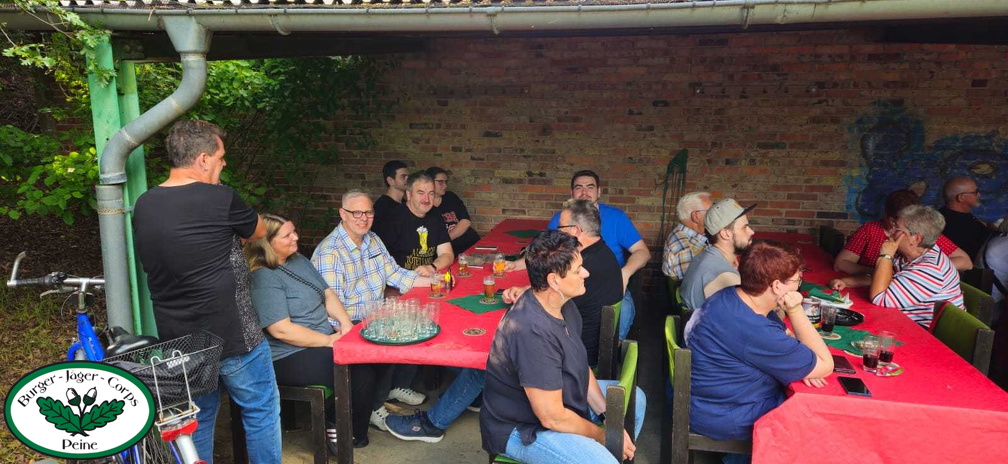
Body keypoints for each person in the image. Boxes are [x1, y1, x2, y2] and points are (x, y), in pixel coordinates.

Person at [132, 119, 279, 463]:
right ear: (202, 159)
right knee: (260, 408)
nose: (223, 164)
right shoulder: (220, 197)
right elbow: (258, 230)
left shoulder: (145, 203)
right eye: (220, 157)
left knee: (197, 418)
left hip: (180, 341)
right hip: (233, 334)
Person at [481, 230, 646, 464]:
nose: (586, 273)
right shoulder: (531, 332)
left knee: (635, 400)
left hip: (563, 399)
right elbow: (552, 418)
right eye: (578, 270)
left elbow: (580, 367)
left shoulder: (563, 304)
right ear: (554, 281)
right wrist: (603, 436)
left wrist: (607, 416)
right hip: (522, 428)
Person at [246, 214, 377, 450]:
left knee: (374, 342)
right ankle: (339, 425)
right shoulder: (263, 277)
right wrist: (329, 340)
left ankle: (355, 418)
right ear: (267, 243)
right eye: (287, 235)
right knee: (359, 369)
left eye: (294, 231)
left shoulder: (298, 260)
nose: (296, 237)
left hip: (322, 338)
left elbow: (327, 293)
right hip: (288, 354)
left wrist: (346, 323)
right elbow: (281, 330)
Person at [689, 241, 833, 451]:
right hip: (728, 413)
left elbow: (785, 335)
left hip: (710, 400)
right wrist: (795, 310)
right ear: (777, 286)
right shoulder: (753, 329)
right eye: (797, 281)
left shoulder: (734, 296)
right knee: (817, 420)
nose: (798, 287)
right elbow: (826, 365)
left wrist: (799, 359)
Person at [311, 190, 431, 431]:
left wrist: (434, 281)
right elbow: (333, 309)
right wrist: (357, 334)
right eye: (356, 213)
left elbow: (395, 274)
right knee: (387, 344)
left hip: (375, 317)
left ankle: (379, 401)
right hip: (348, 324)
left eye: (368, 212)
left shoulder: (373, 239)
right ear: (343, 214)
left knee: (416, 325)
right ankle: (370, 408)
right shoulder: (330, 253)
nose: (363, 218)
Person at [508, 170, 650, 339]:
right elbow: (547, 256)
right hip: (580, 297)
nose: (584, 192)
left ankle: (614, 348)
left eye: (590, 187)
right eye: (579, 187)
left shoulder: (585, 264)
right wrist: (518, 268)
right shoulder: (596, 247)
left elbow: (643, 252)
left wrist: (624, 274)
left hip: (582, 335)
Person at [501, 199, 623, 366]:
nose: (557, 232)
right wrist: (527, 290)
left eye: (560, 228)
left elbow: (546, 305)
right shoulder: (601, 253)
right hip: (588, 349)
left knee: (503, 349)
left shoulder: (583, 267)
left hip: (577, 357)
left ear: (575, 230)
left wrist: (525, 294)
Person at [831, 205, 964, 326]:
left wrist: (885, 255)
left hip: (923, 332)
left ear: (916, 239)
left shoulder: (930, 269)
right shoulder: (909, 256)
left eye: (897, 229)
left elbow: (880, 299)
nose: (891, 232)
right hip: (902, 320)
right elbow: (886, 280)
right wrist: (847, 282)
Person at [835, 189, 972, 273]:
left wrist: (925, 270)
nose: (895, 230)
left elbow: (965, 262)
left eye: (904, 225)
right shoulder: (870, 230)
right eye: (893, 222)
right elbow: (841, 263)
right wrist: (877, 272)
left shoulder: (923, 234)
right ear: (886, 214)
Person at [681, 198, 755, 343]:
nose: (752, 232)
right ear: (726, 233)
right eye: (744, 227)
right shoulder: (725, 275)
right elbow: (753, 322)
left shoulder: (705, 256)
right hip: (712, 347)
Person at [373, 171, 454, 277]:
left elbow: (447, 254)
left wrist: (432, 267)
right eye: (421, 193)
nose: (426, 199)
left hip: (427, 276)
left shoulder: (435, 215)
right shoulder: (392, 218)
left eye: (431, 193)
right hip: (400, 280)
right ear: (409, 194)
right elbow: (378, 262)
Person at [426, 166, 481, 254]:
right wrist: (443, 244)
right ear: (429, 182)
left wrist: (444, 240)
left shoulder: (450, 197)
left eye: (446, 182)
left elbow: (466, 221)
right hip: (447, 251)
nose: (445, 185)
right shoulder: (424, 204)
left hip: (470, 242)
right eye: (440, 182)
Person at [939, 176, 995, 260]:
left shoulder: (944, 214)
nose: (979, 195)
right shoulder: (959, 227)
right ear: (961, 197)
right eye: (975, 192)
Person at [663, 191, 713, 280]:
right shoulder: (684, 247)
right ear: (695, 216)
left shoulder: (692, 235)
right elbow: (694, 282)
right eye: (710, 211)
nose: (714, 215)